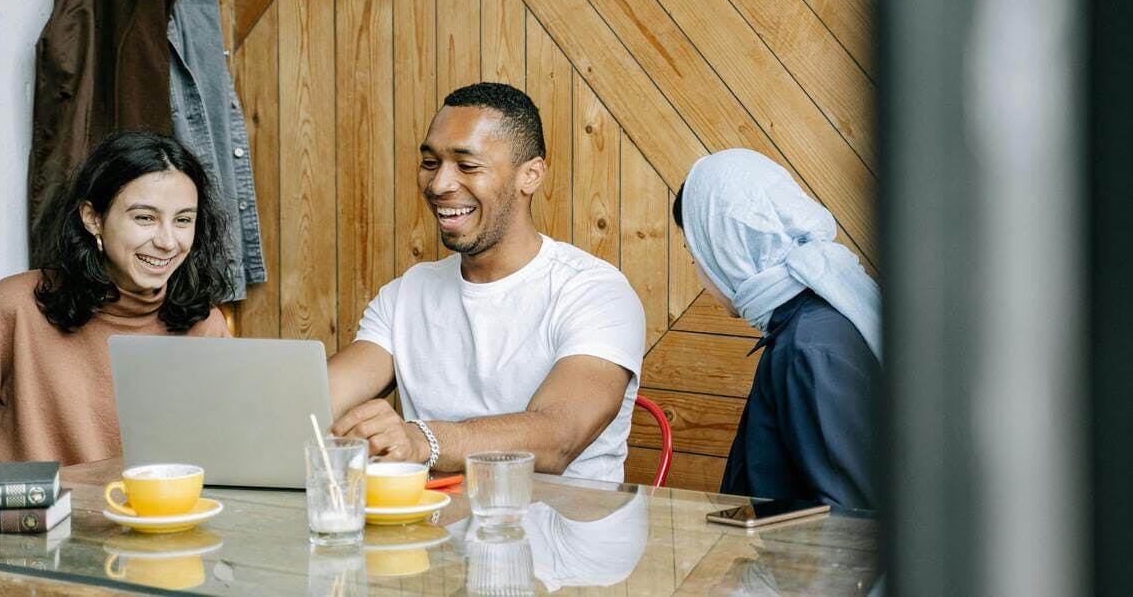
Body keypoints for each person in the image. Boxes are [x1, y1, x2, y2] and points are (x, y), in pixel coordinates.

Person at [328, 82, 645, 483]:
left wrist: (423, 439)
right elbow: (319, 400)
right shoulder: (407, 293)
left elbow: (559, 435)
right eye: (430, 162)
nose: (440, 184)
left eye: (467, 166)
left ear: (530, 175)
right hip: (432, 534)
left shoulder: (595, 292)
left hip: (562, 538)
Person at [0, 131, 232, 465]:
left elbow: (228, 461)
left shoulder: (206, 326)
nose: (169, 242)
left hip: (159, 517)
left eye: (183, 220)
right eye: (145, 218)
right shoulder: (13, 308)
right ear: (93, 219)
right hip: (35, 516)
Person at [673, 149, 880, 509]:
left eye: (697, 256)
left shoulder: (809, 348)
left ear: (727, 250)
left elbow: (850, 522)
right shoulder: (814, 322)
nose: (701, 277)